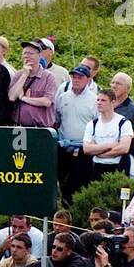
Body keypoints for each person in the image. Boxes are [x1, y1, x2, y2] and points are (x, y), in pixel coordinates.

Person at [55, 64, 98, 204]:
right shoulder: (63, 97)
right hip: (64, 147)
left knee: (80, 183)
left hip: (83, 149)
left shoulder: (94, 100)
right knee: (63, 182)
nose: (76, 80)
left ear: (87, 79)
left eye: (80, 77)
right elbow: (57, 119)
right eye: (74, 76)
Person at [83, 88, 134, 180]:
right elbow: (87, 149)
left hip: (118, 167)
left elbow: (123, 148)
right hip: (97, 168)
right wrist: (110, 145)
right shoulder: (92, 124)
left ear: (112, 103)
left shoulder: (123, 123)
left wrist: (100, 153)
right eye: (98, 100)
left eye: (103, 100)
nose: (99, 103)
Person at [8, 40, 58, 128]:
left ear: (39, 56)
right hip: (20, 128)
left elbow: (47, 102)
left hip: (40, 128)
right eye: (25, 53)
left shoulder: (49, 77)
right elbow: (12, 97)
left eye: (30, 53)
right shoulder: (18, 75)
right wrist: (24, 75)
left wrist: (24, 98)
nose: (27, 56)